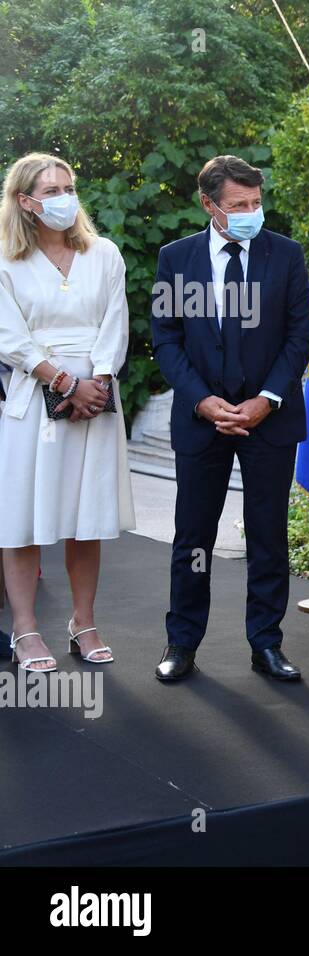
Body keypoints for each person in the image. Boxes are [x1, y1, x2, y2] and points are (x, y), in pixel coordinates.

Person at [149, 155, 309, 682]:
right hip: (203, 420)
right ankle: (182, 644)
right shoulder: (176, 259)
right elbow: (166, 340)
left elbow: (301, 336)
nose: (251, 212)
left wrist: (267, 399)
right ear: (209, 205)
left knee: (269, 535)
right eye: (238, 205)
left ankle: (266, 644)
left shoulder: (286, 255)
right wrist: (201, 400)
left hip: (270, 418)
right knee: (193, 538)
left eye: (256, 202)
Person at [0, 152, 135, 671]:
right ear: (25, 201)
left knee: (87, 516)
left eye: (68, 187)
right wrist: (62, 383)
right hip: (35, 399)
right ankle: (26, 630)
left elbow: (114, 322)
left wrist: (96, 384)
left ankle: (84, 622)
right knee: (24, 518)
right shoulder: (7, 261)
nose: (63, 198)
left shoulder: (104, 253)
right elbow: (10, 336)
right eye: (51, 191)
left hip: (96, 401)